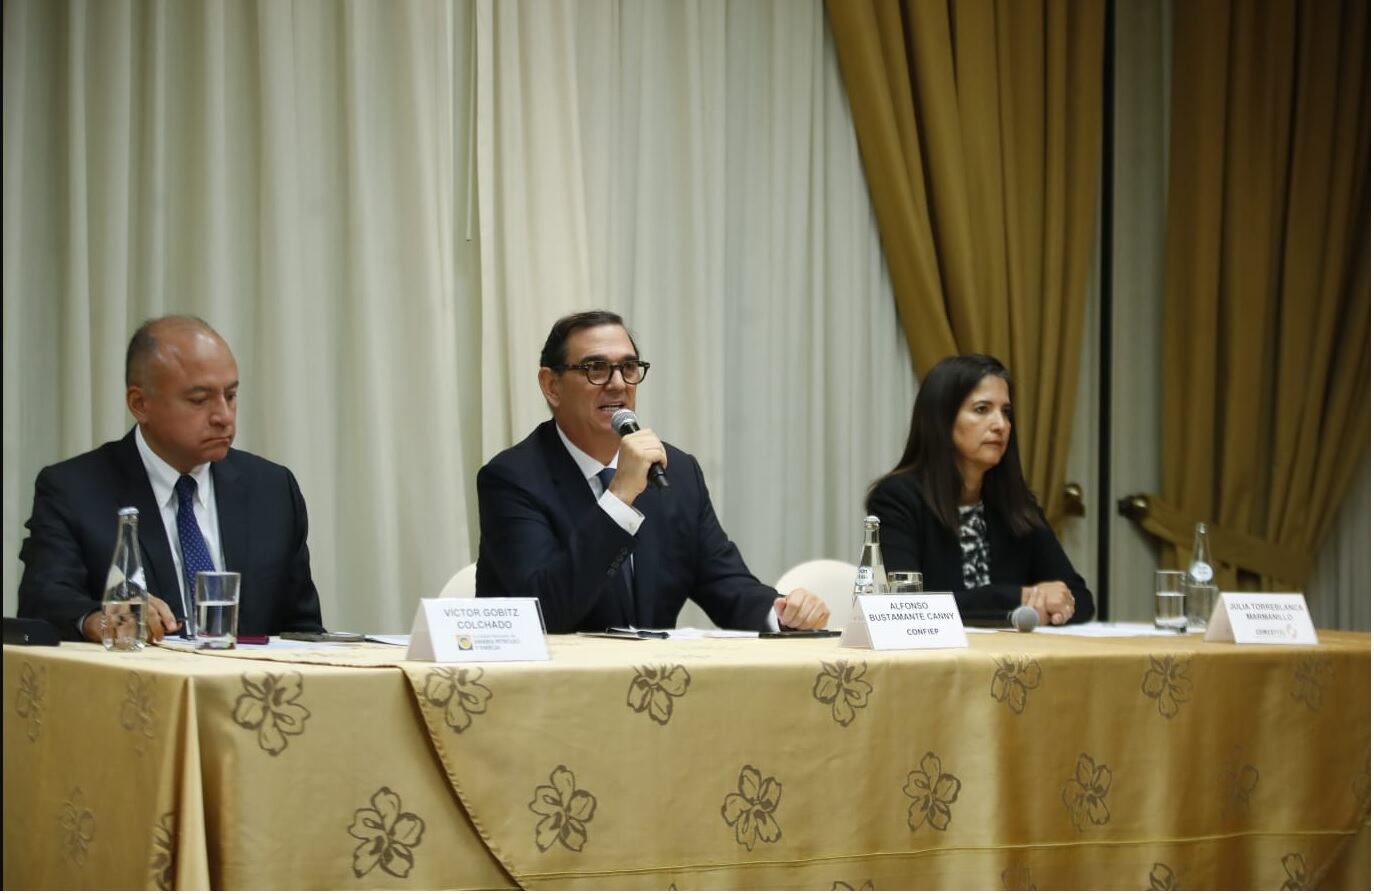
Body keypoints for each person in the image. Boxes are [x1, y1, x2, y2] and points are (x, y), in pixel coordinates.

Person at [475, 310, 830, 634]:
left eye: (628, 368)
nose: (617, 384)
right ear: (551, 385)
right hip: (553, 692)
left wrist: (783, 614)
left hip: (654, 690)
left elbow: (727, 585)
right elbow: (545, 611)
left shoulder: (676, 472)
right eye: (595, 368)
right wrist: (619, 499)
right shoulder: (512, 479)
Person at [18, 315, 325, 642]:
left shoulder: (272, 489)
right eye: (199, 400)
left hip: (248, 688)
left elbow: (303, 629)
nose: (223, 416)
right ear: (140, 404)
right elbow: (44, 600)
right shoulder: (74, 489)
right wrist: (101, 618)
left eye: (231, 396)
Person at [866, 353, 1094, 626]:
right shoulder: (897, 498)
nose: (1000, 425)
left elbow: (1080, 599)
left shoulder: (1016, 504)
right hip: (934, 662)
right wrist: (1018, 598)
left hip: (1013, 662)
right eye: (982, 409)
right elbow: (903, 605)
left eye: (1006, 412)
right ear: (943, 418)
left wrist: (1056, 604)